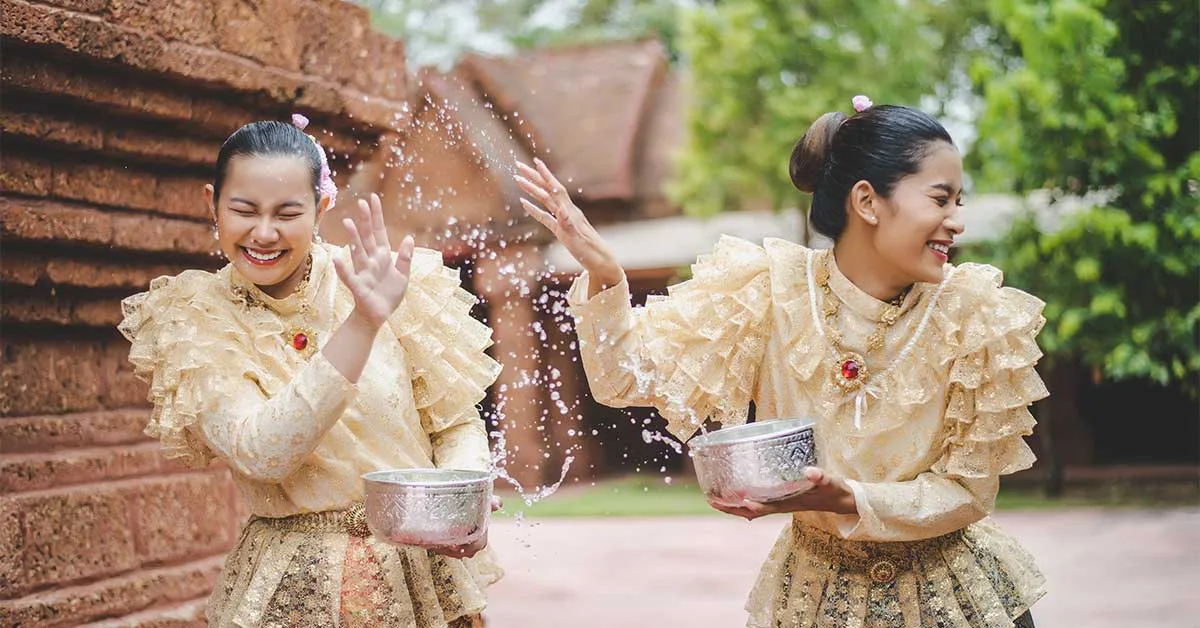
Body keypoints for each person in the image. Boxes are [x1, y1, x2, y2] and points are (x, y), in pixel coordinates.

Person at [516, 98, 1046, 627]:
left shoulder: (977, 314)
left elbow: (969, 493)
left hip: (956, 601)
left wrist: (849, 497)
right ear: (867, 201)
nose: (957, 222)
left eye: (959, 201)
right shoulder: (767, 292)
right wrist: (607, 276)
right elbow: (623, 379)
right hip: (815, 602)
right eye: (941, 199)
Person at [119, 116, 502, 628]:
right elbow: (262, 451)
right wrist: (363, 325)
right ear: (211, 203)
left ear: (321, 208)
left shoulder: (384, 279)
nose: (263, 233)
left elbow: (454, 422)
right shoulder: (194, 317)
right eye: (243, 211)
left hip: (423, 580)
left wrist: (461, 501)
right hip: (295, 589)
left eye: (287, 213)